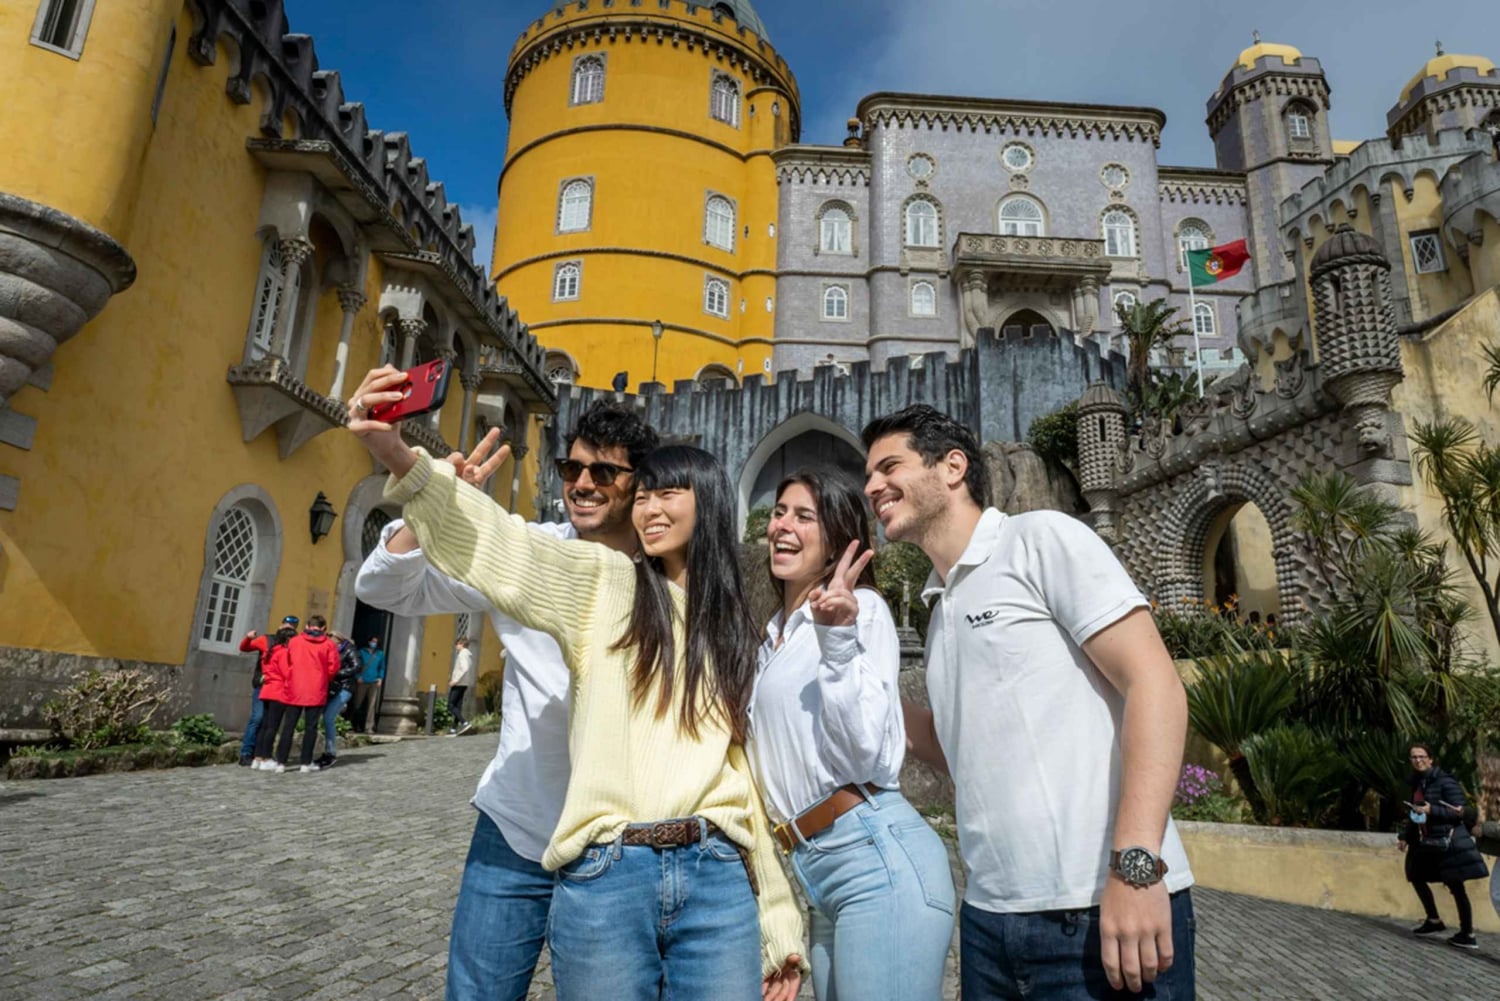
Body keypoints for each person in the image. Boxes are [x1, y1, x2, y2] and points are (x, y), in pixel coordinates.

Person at [347, 365, 804, 1001]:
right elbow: (390, 583)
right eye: (571, 470)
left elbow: (738, 768)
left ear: (643, 484)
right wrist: (426, 487)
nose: (582, 485)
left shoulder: (709, 615)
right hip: (526, 823)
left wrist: (777, 916)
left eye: (607, 474)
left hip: (654, 849)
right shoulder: (556, 558)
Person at [861, 404, 1195, 1000]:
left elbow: (1156, 686)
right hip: (989, 921)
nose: (871, 488)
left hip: (1096, 910)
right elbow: (961, 745)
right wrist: (856, 687)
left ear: (953, 467)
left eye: (889, 466)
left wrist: (1137, 870)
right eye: (868, 476)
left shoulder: (1039, 539)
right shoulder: (940, 610)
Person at [749, 470, 955, 999]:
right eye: (778, 513)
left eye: (803, 516)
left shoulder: (862, 612)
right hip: (813, 871)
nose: (782, 526)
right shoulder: (772, 637)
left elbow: (864, 750)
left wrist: (836, 641)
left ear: (838, 541)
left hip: (872, 857)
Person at [1402, 742, 1488, 949]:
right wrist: (1405, 835)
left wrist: (1434, 812)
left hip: (1449, 843)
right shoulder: (1417, 782)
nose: (1418, 760)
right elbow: (1416, 813)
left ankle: (1467, 934)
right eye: (1414, 757)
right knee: (1415, 875)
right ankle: (1433, 920)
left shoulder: (1445, 782)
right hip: (1428, 841)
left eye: (1422, 756)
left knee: (1456, 886)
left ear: (1430, 759)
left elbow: (1463, 813)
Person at [255, 615, 340, 774]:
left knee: (288, 727)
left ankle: (281, 762)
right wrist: (322, 678)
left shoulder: (295, 641)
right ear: (323, 628)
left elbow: (289, 661)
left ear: (307, 625)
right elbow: (332, 668)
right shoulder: (329, 645)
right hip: (316, 690)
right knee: (310, 728)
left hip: (294, 688)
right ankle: (305, 763)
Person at [238, 615, 298, 766]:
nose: (288, 631)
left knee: (267, 723)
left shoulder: (283, 648)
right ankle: (248, 753)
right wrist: (247, 637)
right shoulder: (267, 640)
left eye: (292, 629)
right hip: (266, 685)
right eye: (286, 627)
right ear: (280, 627)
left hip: (270, 686)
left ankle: (260, 754)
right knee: (259, 719)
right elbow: (245, 648)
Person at [315, 633, 361, 769]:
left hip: (345, 687)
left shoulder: (350, 650)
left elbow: (356, 667)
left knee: (328, 717)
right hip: (332, 688)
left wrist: (336, 673)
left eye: (331, 640)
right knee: (326, 717)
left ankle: (330, 752)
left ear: (338, 640)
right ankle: (327, 751)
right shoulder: (331, 650)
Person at [352, 636, 385, 733]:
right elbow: (356, 665)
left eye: (376, 642)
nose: (374, 643)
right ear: (369, 642)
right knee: (357, 703)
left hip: (374, 682)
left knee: (372, 705)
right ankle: (354, 724)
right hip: (362, 681)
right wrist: (358, 676)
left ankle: (369, 727)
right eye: (372, 641)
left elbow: (382, 667)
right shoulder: (362, 652)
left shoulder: (380, 654)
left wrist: (380, 678)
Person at [447, 637, 475, 736]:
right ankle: (453, 729)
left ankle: (464, 723)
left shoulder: (463, 655)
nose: (456, 646)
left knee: (450, 705)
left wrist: (455, 680)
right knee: (457, 706)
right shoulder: (468, 655)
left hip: (459, 684)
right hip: (464, 683)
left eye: (457, 644)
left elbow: (464, 668)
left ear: (462, 644)